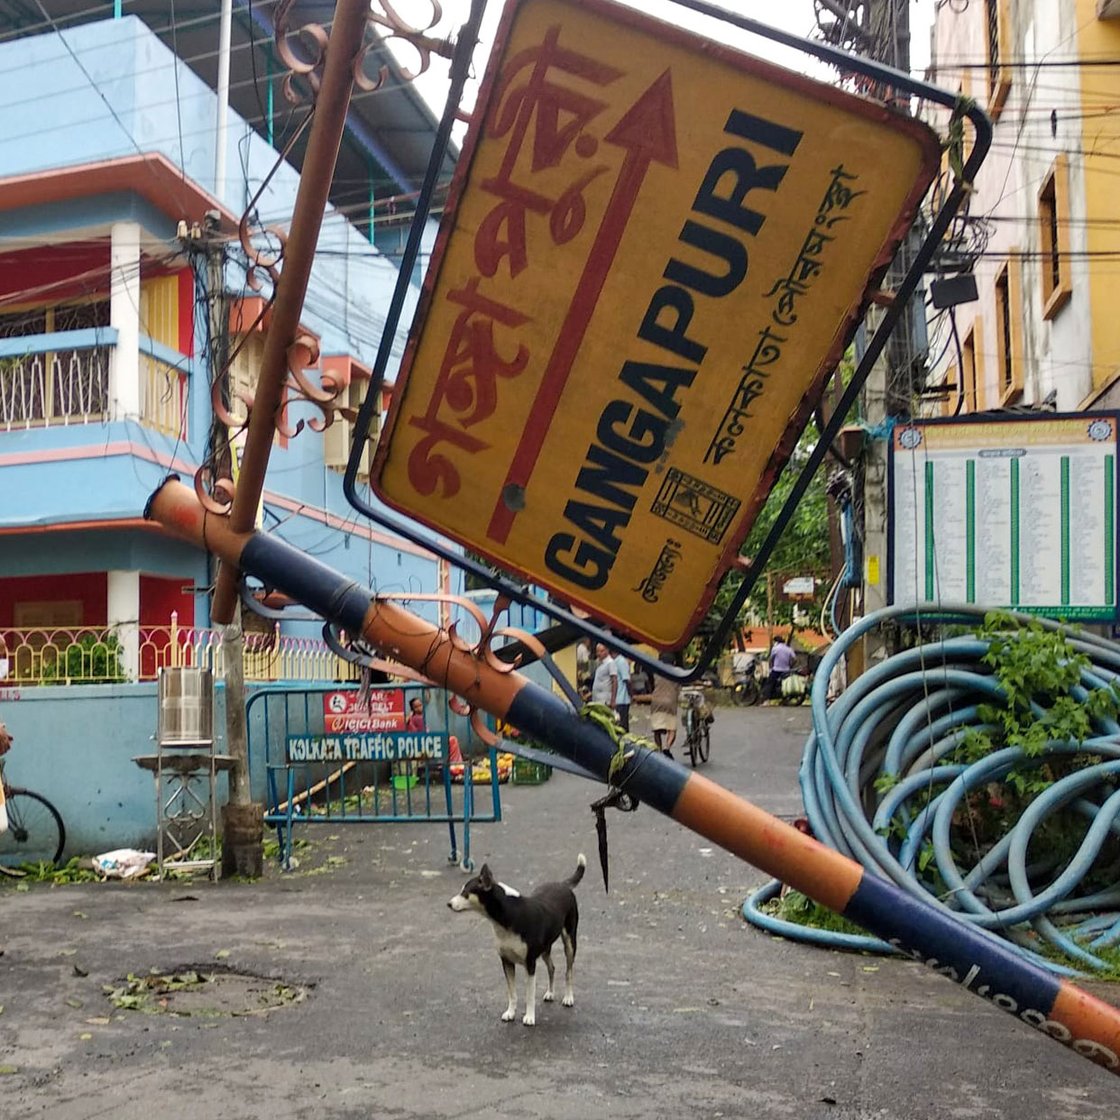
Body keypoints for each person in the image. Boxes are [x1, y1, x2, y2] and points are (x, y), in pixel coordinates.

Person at [647, 669, 680, 758]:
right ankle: (667, 747)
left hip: (656, 701)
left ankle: (659, 749)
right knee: (672, 729)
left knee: (656, 729)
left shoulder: (656, 673)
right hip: (670, 702)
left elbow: (652, 684)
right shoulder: (676, 673)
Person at [766, 636, 796, 702]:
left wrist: (770, 667)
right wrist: (790, 665)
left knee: (769, 684)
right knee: (785, 685)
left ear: (776, 642)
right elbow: (794, 659)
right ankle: (784, 699)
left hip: (776, 670)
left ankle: (767, 700)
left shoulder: (775, 649)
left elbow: (771, 659)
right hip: (786, 670)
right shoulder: (788, 649)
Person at [590, 642, 619, 710]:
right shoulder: (600, 664)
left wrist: (613, 700)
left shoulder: (610, 663)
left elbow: (614, 681)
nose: (599, 653)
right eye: (597, 651)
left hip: (605, 700)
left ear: (607, 651)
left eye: (601, 651)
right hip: (597, 700)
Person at [613, 651, 632, 731]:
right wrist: (631, 694)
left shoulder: (617, 662)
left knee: (619, 725)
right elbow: (627, 680)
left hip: (619, 699)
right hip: (621, 699)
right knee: (622, 726)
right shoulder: (620, 661)